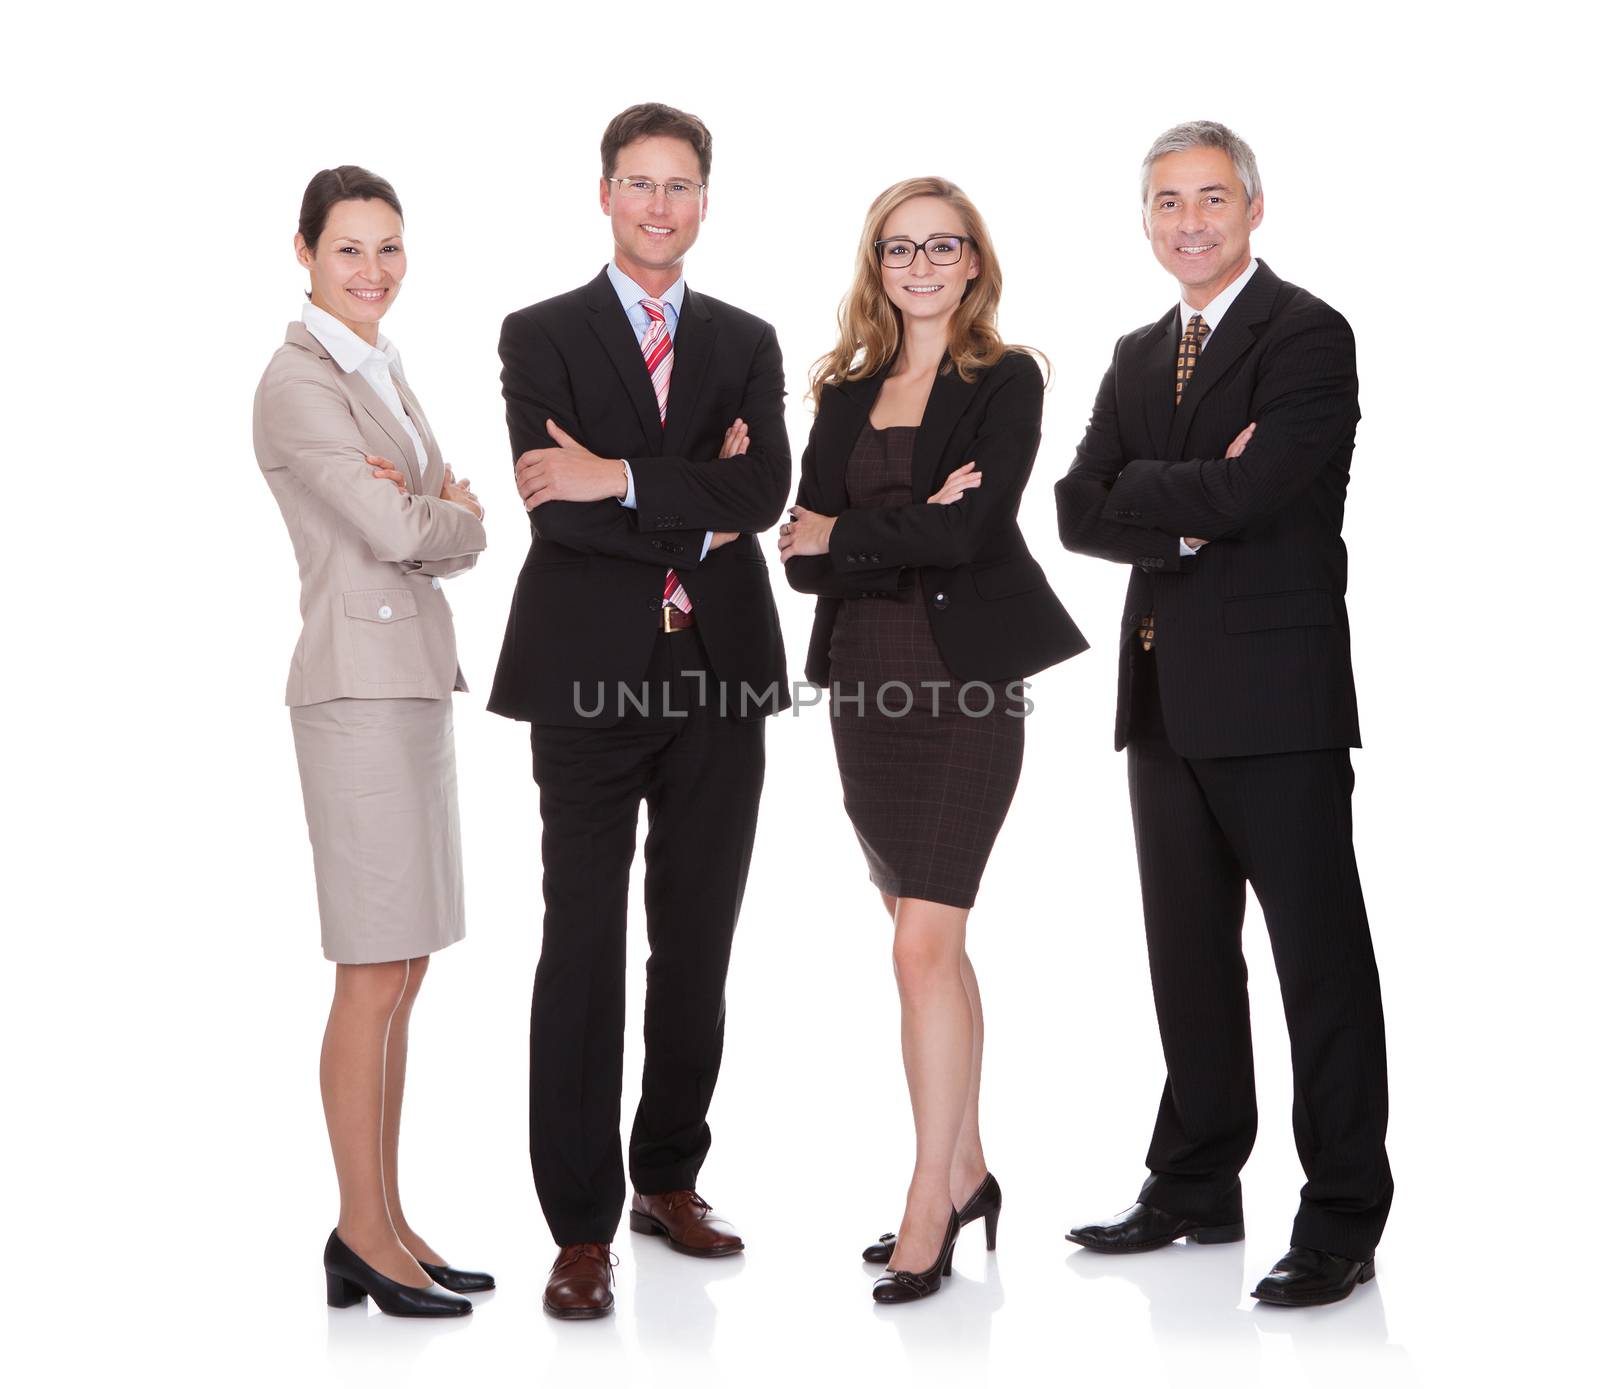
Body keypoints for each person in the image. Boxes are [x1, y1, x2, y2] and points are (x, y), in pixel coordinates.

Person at [1055, 121, 1391, 1307]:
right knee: (1186, 959)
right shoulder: (1139, 351)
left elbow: (1260, 488)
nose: (1187, 222)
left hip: (1279, 699)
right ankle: (1196, 1180)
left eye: (1209, 198)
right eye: (1165, 203)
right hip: (1160, 696)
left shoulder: (1305, 334)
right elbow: (1075, 509)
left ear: (1254, 208)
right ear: (1144, 222)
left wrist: (1161, 496)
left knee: (1317, 962)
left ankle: (1343, 1215)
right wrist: (1186, 501)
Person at [486, 103, 790, 1320]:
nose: (659, 206)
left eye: (680, 186)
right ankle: (578, 1228)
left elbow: (763, 489)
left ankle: (668, 1176)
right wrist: (690, 491)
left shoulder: (746, 338)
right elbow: (549, 513)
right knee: (582, 946)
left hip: (718, 672)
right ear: (604, 195)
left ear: (704, 202)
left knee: (697, 938)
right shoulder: (540, 334)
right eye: (637, 183)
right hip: (587, 680)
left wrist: (615, 472)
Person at [779, 177, 1086, 1304]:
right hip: (864, 686)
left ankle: (925, 1199)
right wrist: (894, 528)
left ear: (971, 262)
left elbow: (974, 533)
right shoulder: (844, 391)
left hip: (961, 689)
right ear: (878, 265)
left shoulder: (1003, 381)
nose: (918, 264)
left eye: (939, 246)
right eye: (897, 247)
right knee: (931, 947)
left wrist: (854, 531)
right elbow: (799, 555)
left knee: (918, 948)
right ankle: (967, 1170)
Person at [254, 166, 493, 1316]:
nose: (375, 271)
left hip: (405, 687)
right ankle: (360, 1230)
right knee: (369, 972)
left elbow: (425, 516)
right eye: (350, 249)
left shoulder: (377, 364)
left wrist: (436, 514)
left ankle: (388, 1220)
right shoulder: (299, 384)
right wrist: (454, 516)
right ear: (303, 252)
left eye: (390, 248)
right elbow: (409, 520)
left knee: (405, 967)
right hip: (353, 690)